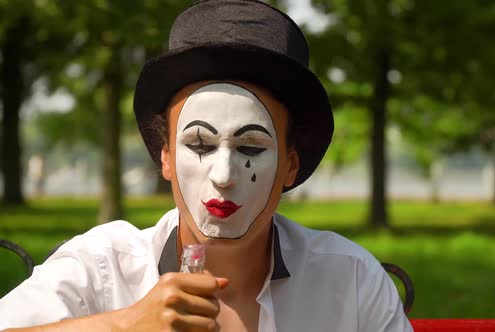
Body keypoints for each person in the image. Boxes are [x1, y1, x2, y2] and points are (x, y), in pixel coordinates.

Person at [0, 1, 413, 331]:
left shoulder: (350, 282)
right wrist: (124, 324)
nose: (223, 175)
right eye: (199, 143)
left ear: (290, 166)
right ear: (165, 157)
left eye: (251, 147)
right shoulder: (103, 268)